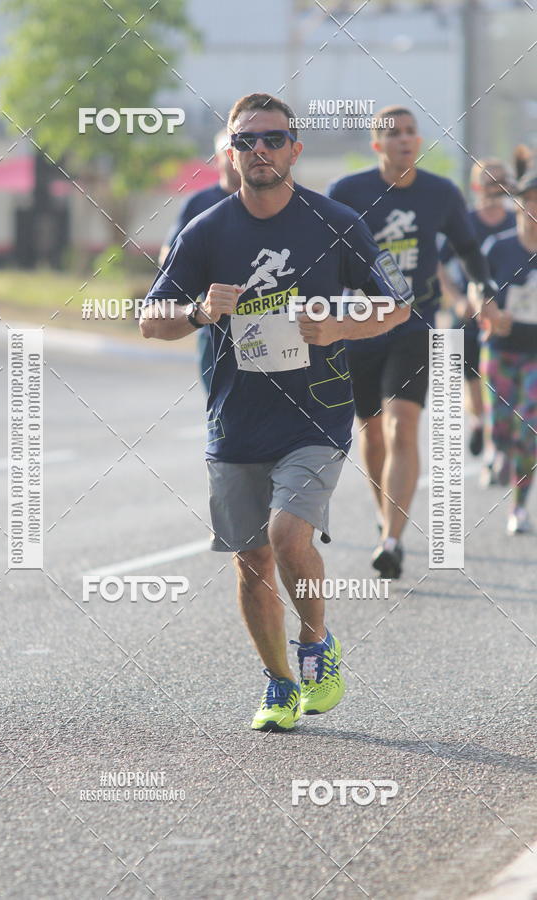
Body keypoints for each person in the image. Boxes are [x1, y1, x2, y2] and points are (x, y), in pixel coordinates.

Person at [141, 92, 412, 732]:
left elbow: (397, 307)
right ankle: (279, 684)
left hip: (314, 414)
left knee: (289, 536)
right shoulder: (205, 231)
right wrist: (201, 313)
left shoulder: (337, 222)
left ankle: (317, 645)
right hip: (235, 418)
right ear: (231, 155)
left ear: (295, 148)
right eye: (245, 142)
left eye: (271, 139)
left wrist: (339, 325)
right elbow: (151, 319)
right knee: (251, 558)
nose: (258, 151)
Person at [327, 106, 497, 579]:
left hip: (415, 323)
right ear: (377, 145)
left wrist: (482, 289)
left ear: (418, 142)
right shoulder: (348, 192)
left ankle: (392, 540)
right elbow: (321, 252)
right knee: (373, 430)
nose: (404, 140)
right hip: (360, 324)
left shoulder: (440, 193)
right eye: (392, 134)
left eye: (411, 133)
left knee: (404, 425)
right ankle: (387, 516)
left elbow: (468, 251)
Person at [470, 170, 537, 534]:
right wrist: (489, 311)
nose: (535, 207)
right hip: (499, 349)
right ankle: (497, 451)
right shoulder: (499, 247)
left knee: (530, 426)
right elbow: (476, 287)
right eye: (530, 198)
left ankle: (519, 507)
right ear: (518, 203)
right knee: (501, 427)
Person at [437, 159, 516, 461]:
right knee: (472, 378)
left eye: (501, 181)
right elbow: (437, 263)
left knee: (505, 378)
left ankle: (502, 434)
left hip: (509, 313)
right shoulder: (465, 221)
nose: (496, 188)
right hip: (470, 314)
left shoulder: (517, 220)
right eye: (489, 182)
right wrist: (457, 299)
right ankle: (479, 421)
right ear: (476, 187)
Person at [159, 129, 241, 393]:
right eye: (228, 151)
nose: (235, 156)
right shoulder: (199, 203)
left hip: (266, 321)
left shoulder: (271, 203)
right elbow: (171, 254)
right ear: (218, 158)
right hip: (213, 324)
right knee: (220, 405)